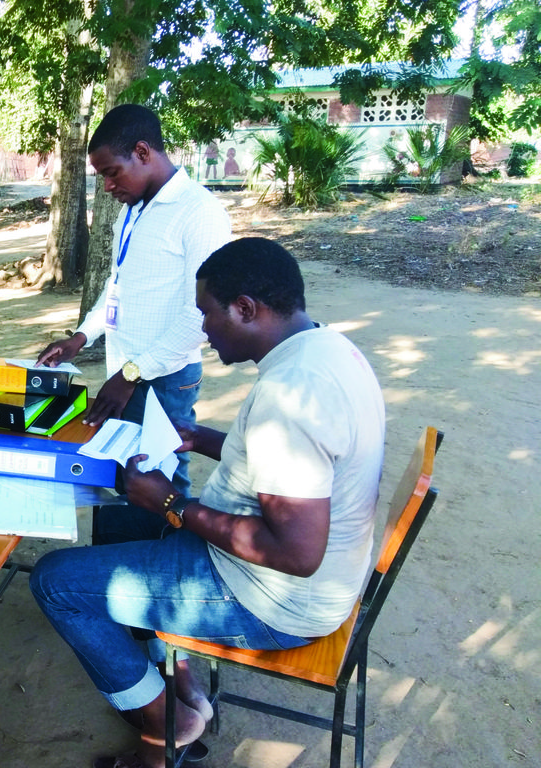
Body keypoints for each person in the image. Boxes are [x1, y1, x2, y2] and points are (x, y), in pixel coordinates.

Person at [30, 237, 386, 766]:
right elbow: (298, 464)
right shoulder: (324, 348)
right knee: (132, 537)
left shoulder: (290, 396)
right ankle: (185, 685)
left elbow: (296, 553)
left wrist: (171, 502)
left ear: (246, 309)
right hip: (311, 580)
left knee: (55, 581)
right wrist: (203, 438)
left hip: (275, 599)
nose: (202, 329)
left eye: (207, 314)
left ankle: (165, 723)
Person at [36, 104, 231, 497]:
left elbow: (201, 317)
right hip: (127, 371)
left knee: (162, 479)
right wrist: (81, 337)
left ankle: (164, 554)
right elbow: (118, 284)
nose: (107, 186)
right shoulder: (134, 209)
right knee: (128, 477)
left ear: (143, 152)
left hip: (163, 377)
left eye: (112, 173)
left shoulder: (199, 212)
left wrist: (131, 374)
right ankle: (122, 553)